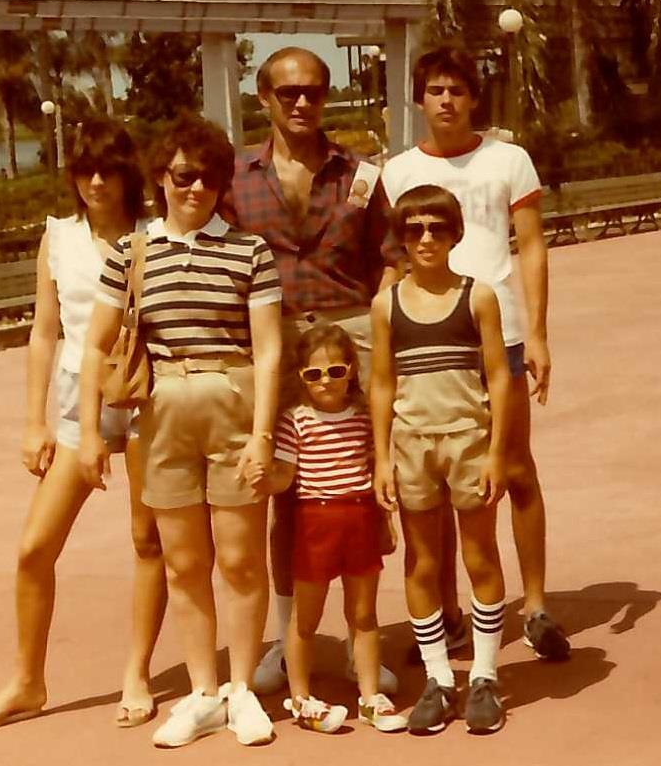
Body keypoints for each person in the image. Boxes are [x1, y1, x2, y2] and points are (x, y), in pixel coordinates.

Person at [76, 113, 283, 750]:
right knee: (185, 565)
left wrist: (262, 436)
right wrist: (90, 433)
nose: (197, 190)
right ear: (162, 177)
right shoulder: (131, 253)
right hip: (161, 412)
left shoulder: (250, 252)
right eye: (185, 177)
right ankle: (201, 692)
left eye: (211, 179)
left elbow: (270, 349)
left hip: (232, 401)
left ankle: (240, 687)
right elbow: (96, 345)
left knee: (243, 559)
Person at [0, 117, 167, 733]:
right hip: (80, 413)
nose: (95, 182)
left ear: (128, 174)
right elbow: (44, 332)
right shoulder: (59, 236)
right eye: (84, 170)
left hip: (147, 408)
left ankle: (137, 671)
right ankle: (28, 680)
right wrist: (34, 422)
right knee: (33, 549)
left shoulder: (156, 236)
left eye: (106, 170)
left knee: (146, 541)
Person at [219, 45, 399, 697]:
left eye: (313, 91)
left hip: (350, 338)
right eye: (287, 92)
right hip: (273, 343)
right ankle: (289, 632)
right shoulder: (234, 177)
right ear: (263, 98)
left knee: (364, 483)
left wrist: (384, 336)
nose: (301, 102)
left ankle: (360, 640)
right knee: (287, 491)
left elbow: (388, 261)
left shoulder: (361, 174)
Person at [380, 47, 571, 662]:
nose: (446, 101)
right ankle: (448, 616)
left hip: (501, 332)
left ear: (474, 98)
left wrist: (537, 332)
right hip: (427, 341)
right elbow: (390, 262)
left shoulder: (507, 159)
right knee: (432, 480)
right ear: (419, 99)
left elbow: (532, 246)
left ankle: (536, 605)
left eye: (457, 90)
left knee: (513, 468)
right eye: (435, 90)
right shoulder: (398, 171)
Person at [371, 185, 511, 734]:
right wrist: (382, 457)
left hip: (468, 440)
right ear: (401, 239)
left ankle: (484, 675)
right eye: (413, 229)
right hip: (412, 444)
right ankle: (437, 677)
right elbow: (382, 381)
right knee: (421, 562)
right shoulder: (387, 304)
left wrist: (497, 450)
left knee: (479, 555)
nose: (425, 238)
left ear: (454, 233)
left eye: (436, 227)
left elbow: (498, 375)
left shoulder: (477, 297)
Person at [259, 322, 409, 735]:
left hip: (359, 516)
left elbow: (375, 471)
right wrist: (259, 474)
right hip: (315, 522)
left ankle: (370, 697)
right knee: (305, 618)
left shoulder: (364, 417)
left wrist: (385, 520)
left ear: (352, 371)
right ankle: (301, 698)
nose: (326, 381)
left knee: (363, 614)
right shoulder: (295, 421)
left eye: (336, 371)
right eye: (314, 373)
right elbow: (284, 478)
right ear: (301, 378)